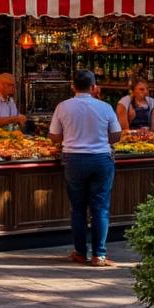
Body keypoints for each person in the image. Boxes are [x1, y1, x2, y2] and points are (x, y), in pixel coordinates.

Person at [49, 70, 122, 267]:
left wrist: (70, 136)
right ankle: (99, 255)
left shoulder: (63, 107)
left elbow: (54, 136)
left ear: (73, 87)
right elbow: (116, 135)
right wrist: (100, 138)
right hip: (101, 159)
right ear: (93, 87)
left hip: (74, 159)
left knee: (78, 209)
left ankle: (80, 252)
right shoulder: (105, 107)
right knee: (100, 208)